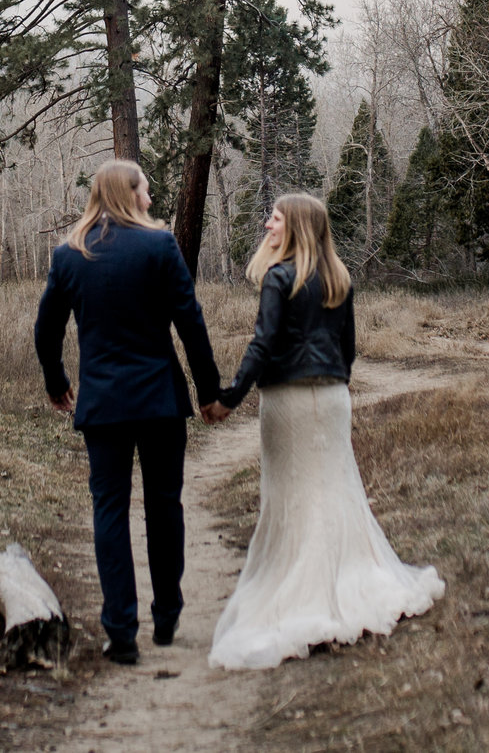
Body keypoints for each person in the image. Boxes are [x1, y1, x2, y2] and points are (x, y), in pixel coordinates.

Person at [207, 192, 444, 671]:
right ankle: (350, 582)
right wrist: (335, 383)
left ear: (293, 226)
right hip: (334, 398)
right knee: (334, 489)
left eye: (274, 219)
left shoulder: (278, 278)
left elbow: (263, 343)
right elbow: (349, 348)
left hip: (289, 402)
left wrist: (230, 396)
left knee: (293, 494)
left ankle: (305, 594)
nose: (267, 226)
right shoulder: (339, 278)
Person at [34, 158, 227, 666]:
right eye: (145, 189)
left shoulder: (69, 255)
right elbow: (191, 321)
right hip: (159, 400)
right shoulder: (159, 246)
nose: (150, 197)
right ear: (127, 193)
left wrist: (57, 382)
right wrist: (209, 391)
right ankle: (166, 616)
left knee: (109, 510)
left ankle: (120, 629)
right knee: (165, 506)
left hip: (103, 404)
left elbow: (46, 329)